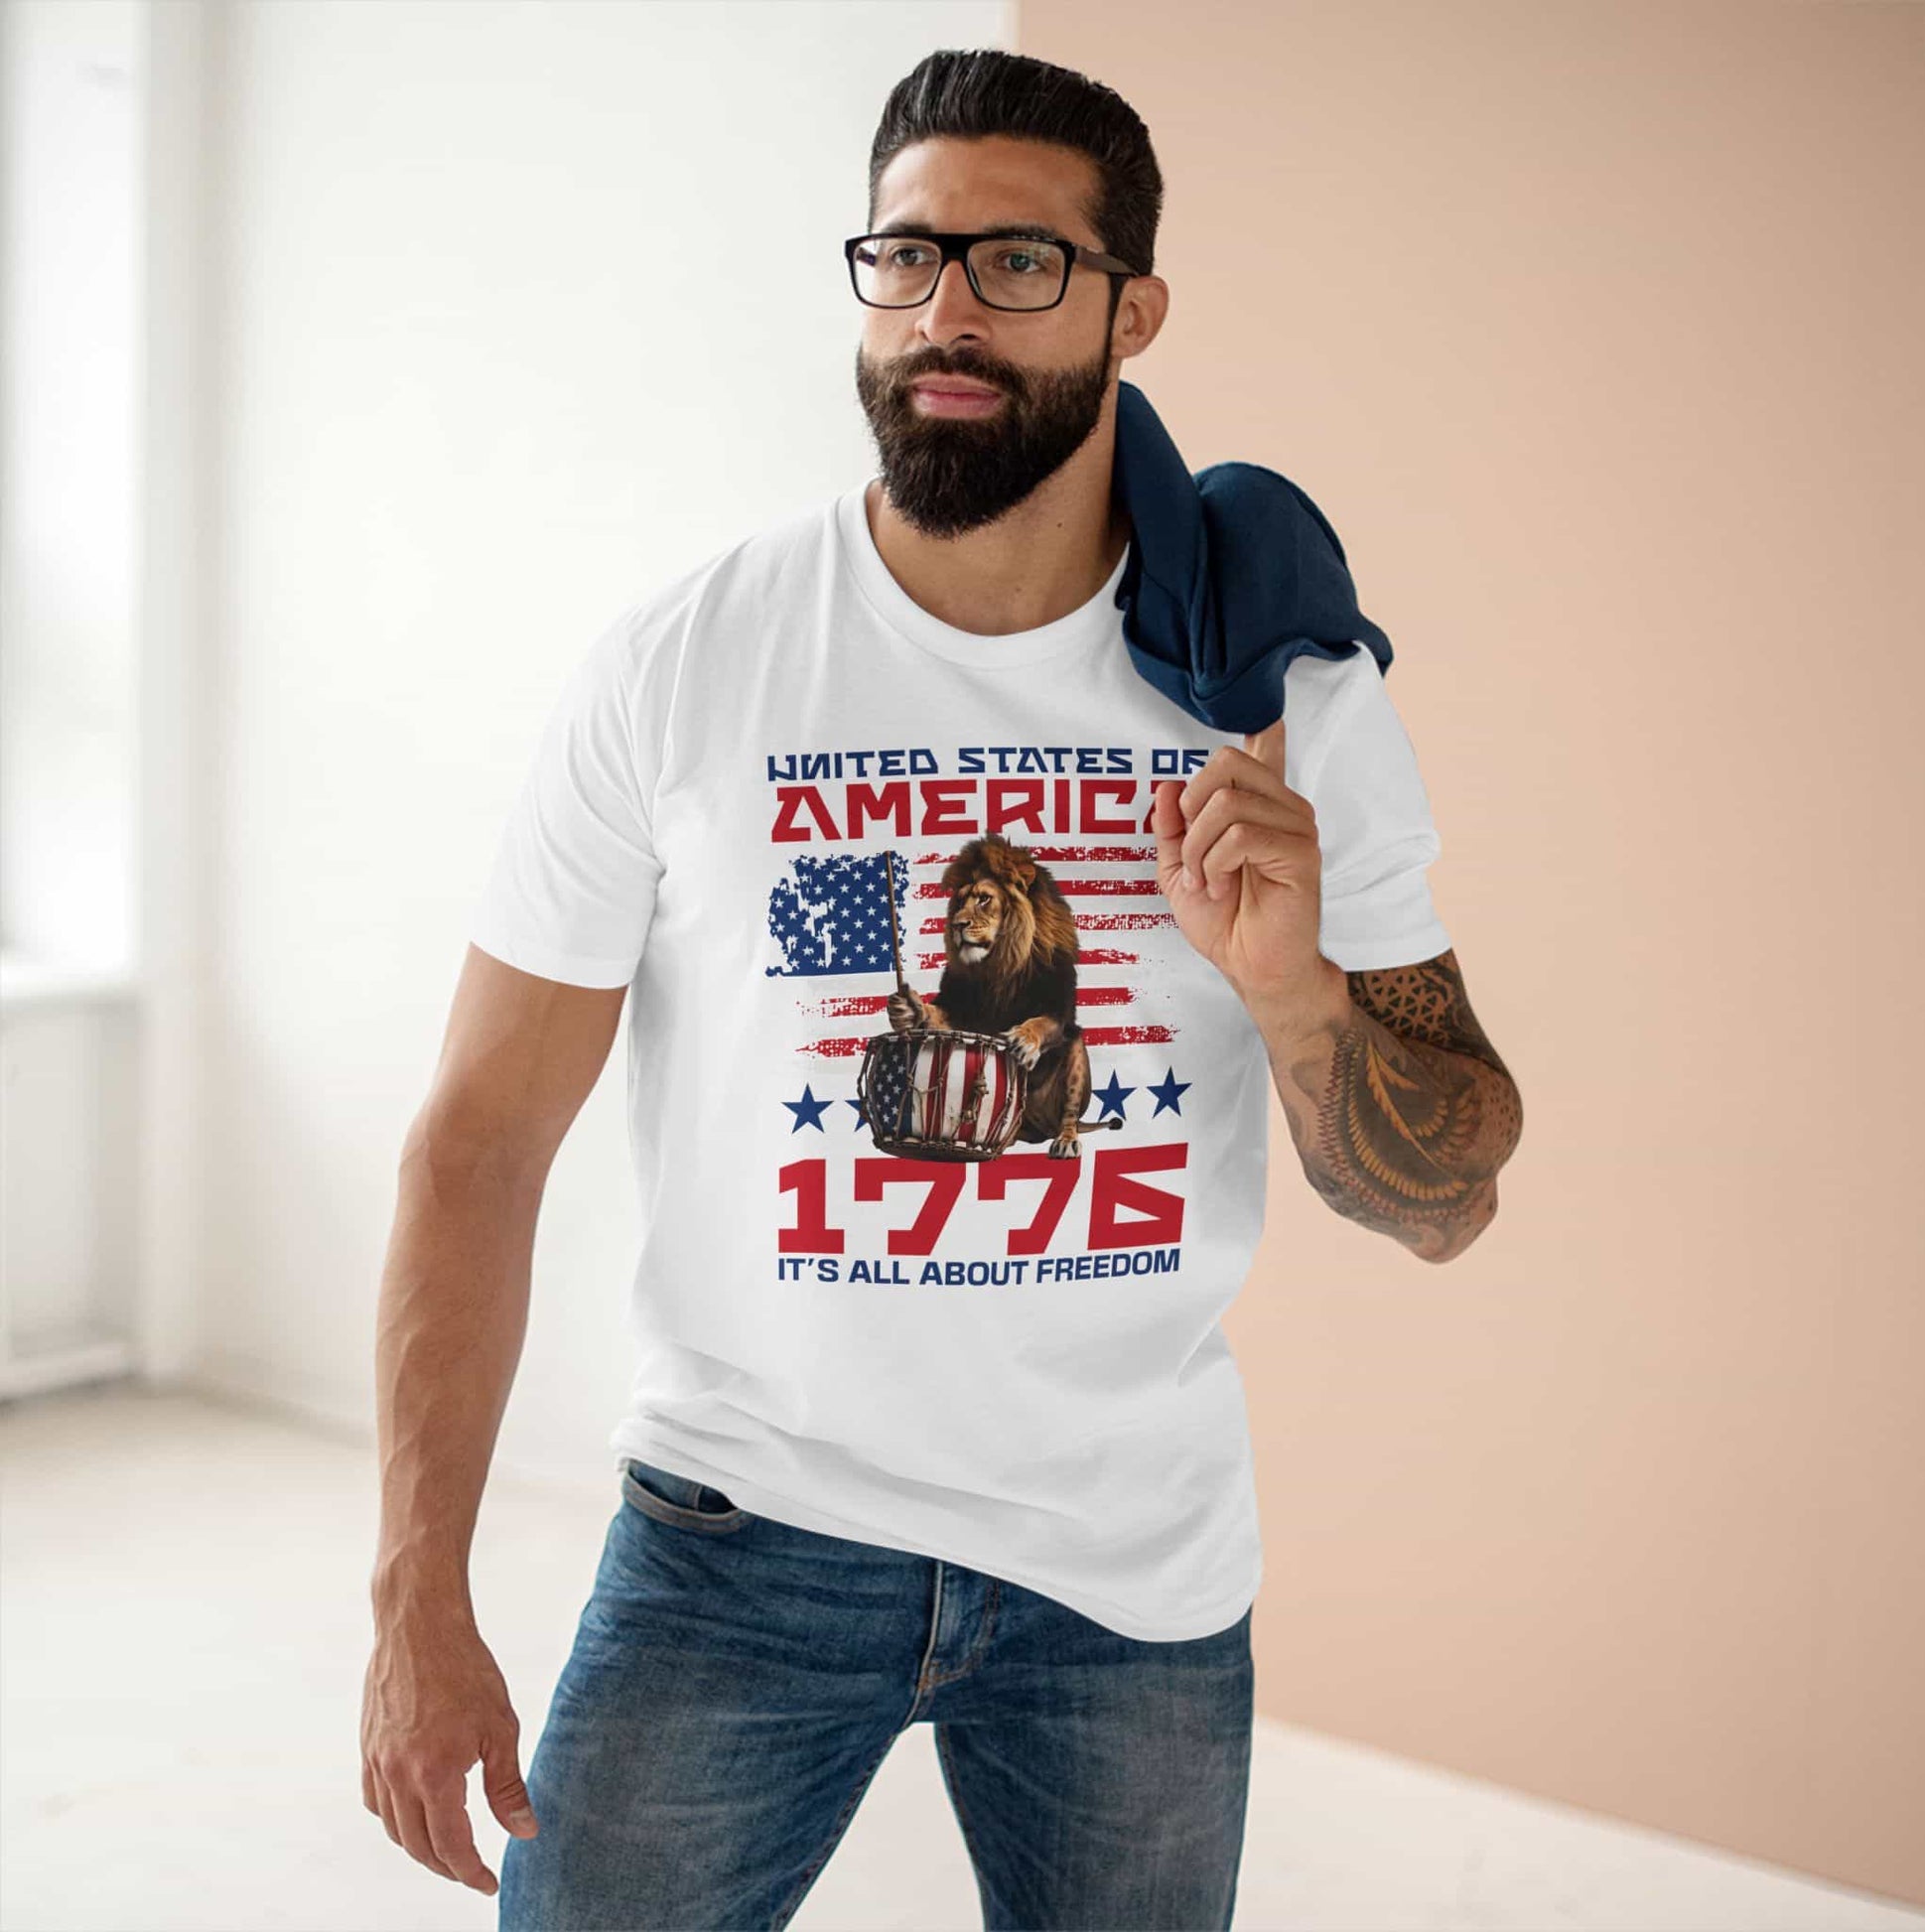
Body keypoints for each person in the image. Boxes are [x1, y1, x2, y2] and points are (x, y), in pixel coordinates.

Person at [360, 46, 1523, 1932]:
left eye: (1017, 264)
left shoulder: (1279, 691)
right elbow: (479, 1141)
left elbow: (1447, 1194)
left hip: (1123, 1572)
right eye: (902, 260)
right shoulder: (690, 661)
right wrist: (416, 1602)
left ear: (1133, 309)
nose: (945, 313)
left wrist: (1293, 986)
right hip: (739, 1536)